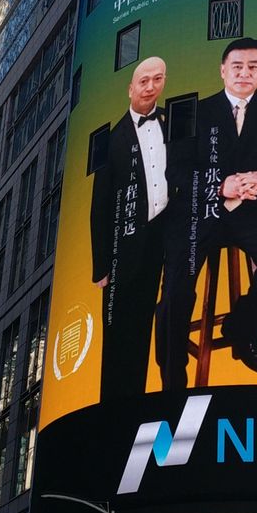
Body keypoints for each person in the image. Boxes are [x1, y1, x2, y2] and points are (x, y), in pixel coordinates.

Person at [157, 38, 257, 388]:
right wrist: (219, 185)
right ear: (223, 70)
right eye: (237, 66)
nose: (244, 73)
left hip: (252, 209)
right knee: (176, 292)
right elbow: (174, 170)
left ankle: (242, 329)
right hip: (197, 211)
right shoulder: (187, 109)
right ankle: (171, 383)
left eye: (253, 66)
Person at [90, 56, 170, 399]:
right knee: (120, 333)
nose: (151, 87)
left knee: (149, 326)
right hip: (126, 246)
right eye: (144, 81)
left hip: (165, 237)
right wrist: (101, 267)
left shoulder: (173, 120)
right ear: (130, 88)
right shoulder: (109, 139)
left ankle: (141, 405)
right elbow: (100, 206)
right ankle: (116, 409)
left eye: (158, 79)